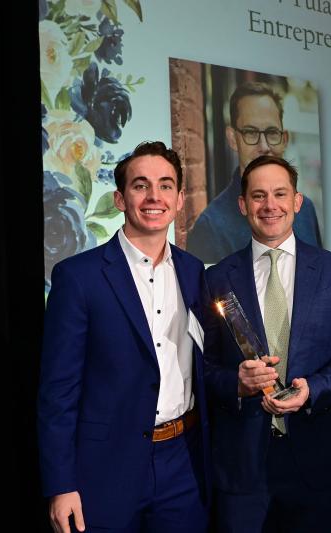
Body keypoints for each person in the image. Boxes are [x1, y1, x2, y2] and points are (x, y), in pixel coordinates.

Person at [38, 141, 211, 533]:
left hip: (183, 463)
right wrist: (61, 485)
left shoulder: (194, 271)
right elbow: (58, 392)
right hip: (105, 468)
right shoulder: (78, 277)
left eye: (166, 185)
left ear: (180, 199)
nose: (154, 196)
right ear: (119, 198)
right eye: (140, 185)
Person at [203, 155, 331, 532]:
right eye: (259, 195)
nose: (270, 205)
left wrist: (313, 389)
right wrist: (236, 383)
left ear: (297, 201)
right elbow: (205, 366)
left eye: (280, 194)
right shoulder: (217, 278)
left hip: (316, 460)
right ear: (243, 205)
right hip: (242, 467)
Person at [186, 81, 322, 263]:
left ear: (284, 139)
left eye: (272, 132)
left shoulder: (305, 210)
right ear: (233, 139)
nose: (264, 146)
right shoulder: (211, 229)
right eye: (251, 133)